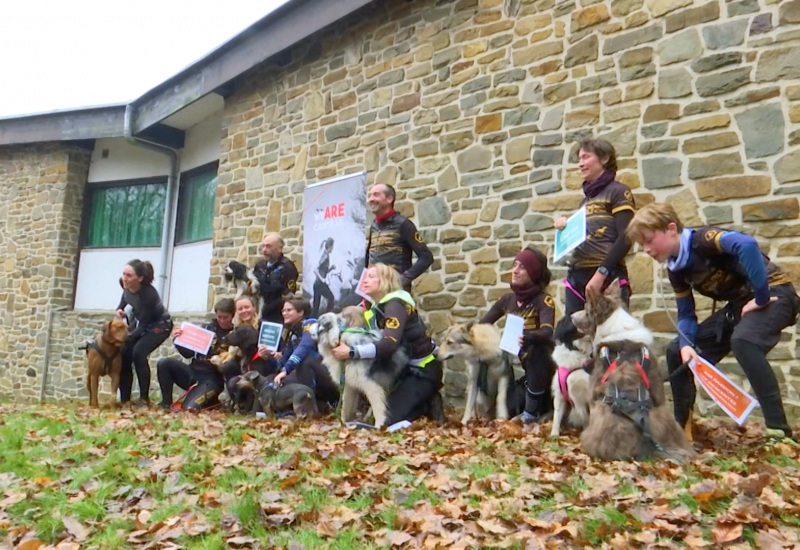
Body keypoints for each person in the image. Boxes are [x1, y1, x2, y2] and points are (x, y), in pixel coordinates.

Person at [627, 202, 798, 440]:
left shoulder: (704, 239)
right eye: (641, 244)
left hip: (775, 293)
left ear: (671, 229)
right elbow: (686, 314)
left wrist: (760, 297)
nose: (646, 249)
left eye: (648, 240)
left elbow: (746, 245)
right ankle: (682, 431)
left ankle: (778, 430)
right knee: (677, 350)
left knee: (744, 341)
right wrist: (687, 345)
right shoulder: (676, 269)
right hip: (740, 305)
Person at [330, 263, 444, 425]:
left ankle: (427, 402)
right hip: (401, 370)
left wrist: (352, 352)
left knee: (387, 421)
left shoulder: (395, 305)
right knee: (376, 416)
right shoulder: (377, 307)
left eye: (371, 277)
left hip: (422, 370)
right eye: (365, 276)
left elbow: (390, 344)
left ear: (385, 281)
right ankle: (419, 405)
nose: (365, 281)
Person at [553, 139, 635, 318]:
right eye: (579, 159)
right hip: (578, 276)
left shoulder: (618, 191)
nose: (581, 164)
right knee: (573, 337)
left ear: (604, 158)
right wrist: (565, 228)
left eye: (586, 157)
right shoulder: (585, 201)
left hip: (606, 275)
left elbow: (626, 237)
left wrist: (601, 274)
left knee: (612, 337)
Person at [481, 247, 556, 424]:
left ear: (534, 273)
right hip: (528, 376)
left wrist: (529, 337)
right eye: (514, 265)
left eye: (522, 267)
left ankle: (531, 413)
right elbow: (481, 325)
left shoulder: (544, 300)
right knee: (505, 408)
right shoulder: (507, 300)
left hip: (546, 370)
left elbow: (547, 331)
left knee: (538, 348)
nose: (515, 270)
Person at [156, 299, 235, 411]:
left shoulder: (234, 333)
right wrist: (178, 339)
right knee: (164, 363)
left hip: (212, 379)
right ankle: (166, 403)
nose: (222, 321)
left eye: (225, 317)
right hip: (193, 371)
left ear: (232, 316)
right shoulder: (207, 328)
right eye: (219, 317)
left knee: (189, 409)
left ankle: (211, 401)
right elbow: (188, 354)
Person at [116, 259, 173, 406]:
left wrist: (128, 335)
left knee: (138, 353)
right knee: (124, 353)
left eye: (129, 275)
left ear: (140, 278)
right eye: (124, 274)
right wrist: (120, 308)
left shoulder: (149, 295)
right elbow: (125, 296)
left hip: (159, 325)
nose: (125, 278)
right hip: (141, 321)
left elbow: (144, 324)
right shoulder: (125, 284)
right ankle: (125, 399)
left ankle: (144, 399)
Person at [272, 297, 339, 411]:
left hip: (328, 376)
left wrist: (286, 369)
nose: (284, 313)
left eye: (289, 310)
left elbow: (305, 346)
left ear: (301, 312)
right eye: (283, 311)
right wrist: (268, 358)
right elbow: (283, 360)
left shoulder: (311, 325)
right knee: (278, 380)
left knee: (304, 363)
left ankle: (322, 403)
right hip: (309, 376)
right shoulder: (292, 332)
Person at [366, 183, 433, 291]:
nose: (370, 199)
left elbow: (426, 257)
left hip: (396, 293)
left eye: (376, 195)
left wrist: (403, 279)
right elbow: (368, 256)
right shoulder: (374, 225)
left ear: (389, 199)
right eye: (369, 195)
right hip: (375, 292)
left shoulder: (403, 224)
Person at [253, 232, 299, 324]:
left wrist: (268, 308)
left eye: (268, 246)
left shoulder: (288, 267)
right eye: (263, 246)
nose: (264, 250)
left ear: (280, 248)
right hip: (257, 315)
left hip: (277, 316)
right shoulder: (259, 265)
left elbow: (288, 295)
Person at [312, 238, 337, 316]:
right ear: (330, 246)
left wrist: (331, 268)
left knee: (316, 306)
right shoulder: (325, 255)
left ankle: (315, 319)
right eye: (332, 247)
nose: (333, 249)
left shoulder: (326, 255)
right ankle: (328, 316)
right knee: (331, 298)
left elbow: (323, 270)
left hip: (317, 284)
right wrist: (322, 279)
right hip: (319, 284)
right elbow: (315, 269)